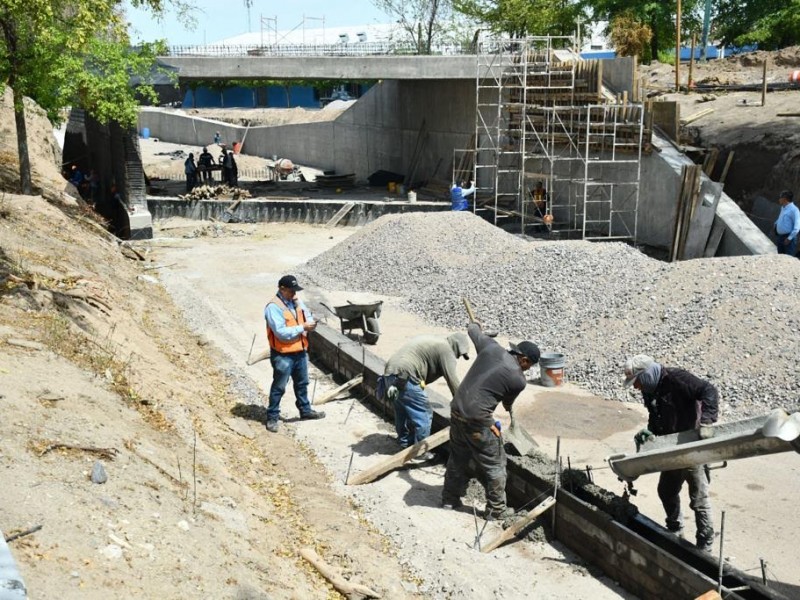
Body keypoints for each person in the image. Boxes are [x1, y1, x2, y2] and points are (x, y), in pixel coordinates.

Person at [441, 321, 540, 520]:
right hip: (477, 420)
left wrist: (476, 324)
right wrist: (507, 404)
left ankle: (449, 500)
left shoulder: (490, 346)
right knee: (496, 464)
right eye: (529, 366)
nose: (528, 371)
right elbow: (506, 401)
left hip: (456, 410)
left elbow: (473, 330)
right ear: (524, 360)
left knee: (458, 456)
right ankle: (496, 511)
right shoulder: (518, 380)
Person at [623, 354, 719, 552]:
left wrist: (707, 421)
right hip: (670, 448)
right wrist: (650, 431)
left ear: (647, 374)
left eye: (637, 382)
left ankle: (705, 544)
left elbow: (709, 390)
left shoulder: (677, 379)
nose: (636, 387)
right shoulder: (650, 389)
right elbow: (655, 414)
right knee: (666, 491)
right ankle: (675, 529)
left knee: (698, 499)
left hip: (691, 446)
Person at [381, 332, 471, 460]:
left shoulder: (435, 342)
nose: (458, 357)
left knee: (402, 410)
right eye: (460, 354)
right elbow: (453, 381)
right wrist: (464, 406)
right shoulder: (446, 350)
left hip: (390, 372)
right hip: (406, 375)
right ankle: (420, 451)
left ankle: (404, 442)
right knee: (424, 413)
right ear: (456, 346)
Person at [264, 275, 325, 433]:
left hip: (300, 352)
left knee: (302, 383)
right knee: (279, 387)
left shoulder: (295, 301)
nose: (294, 294)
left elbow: (306, 315)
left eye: (295, 291)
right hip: (283, 354)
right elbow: (281, 333)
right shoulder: (273, 307)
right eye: (291, 291)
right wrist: (303, 327)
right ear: (281, 289)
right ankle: (272, 416)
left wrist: (310, 322)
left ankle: (305, 411)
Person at [773, 190, 799, 256]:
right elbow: (780, 218)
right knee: (780, 258)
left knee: (788, 259)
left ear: (784, 199)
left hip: (788, 239)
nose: (779, 199)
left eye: (780, 198)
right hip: (780, 237)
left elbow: (797, 227)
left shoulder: (794, 210)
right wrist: (776, 223)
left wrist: (789, 238)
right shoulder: (783, 208)